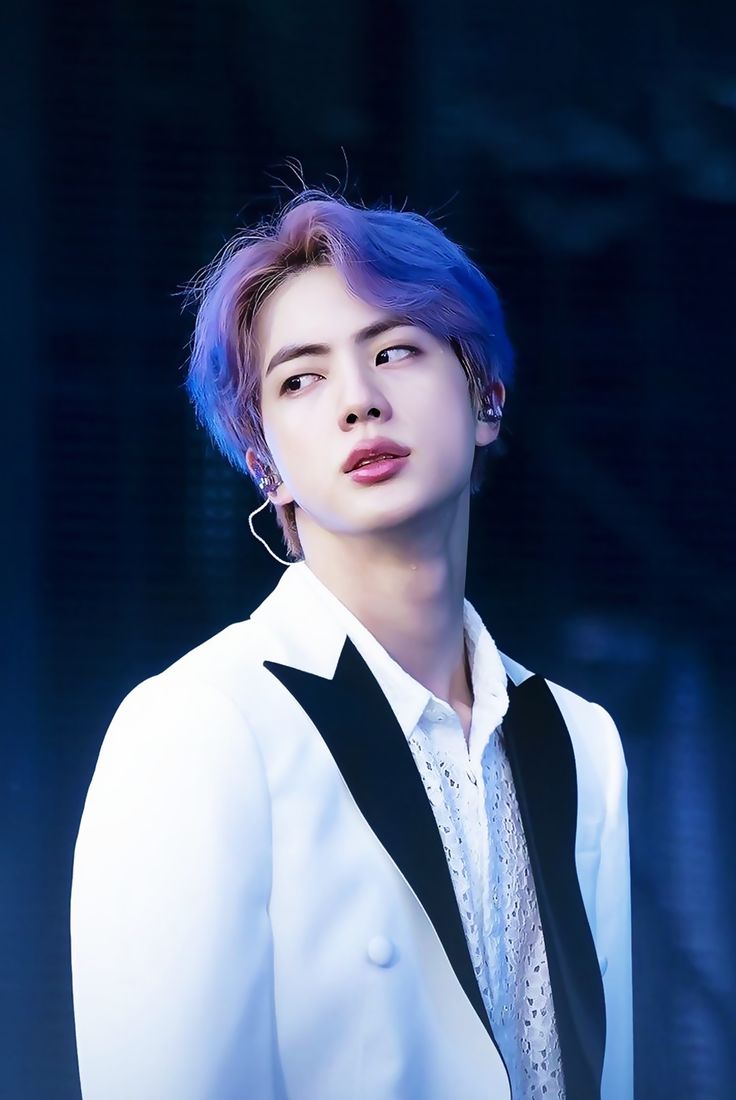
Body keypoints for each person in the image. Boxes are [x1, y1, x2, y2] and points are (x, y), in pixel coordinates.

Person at [70, 190, 633, 1100]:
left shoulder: (579, 740)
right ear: (266, 463)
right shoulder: (202, 727)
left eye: (396, 351)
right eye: (301, 379)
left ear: (485, 395)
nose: (359, 402)